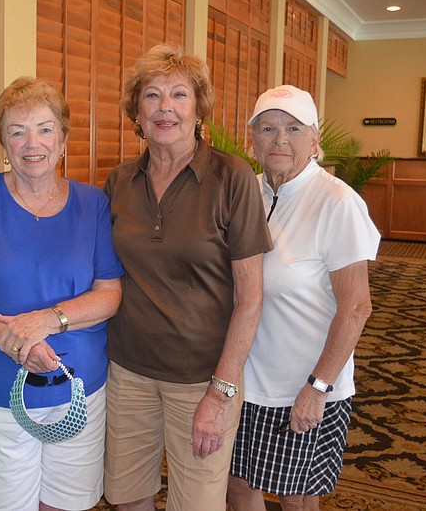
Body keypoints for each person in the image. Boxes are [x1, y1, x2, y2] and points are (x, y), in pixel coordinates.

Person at [0, 77, 124, 511]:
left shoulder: (92, 204)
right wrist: (14, 340)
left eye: (44, 128)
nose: (31, 142)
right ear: (2, 142)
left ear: (62, 139)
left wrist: (48, 320)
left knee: (68, 504)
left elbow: (109, 293)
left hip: (80, 388)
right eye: (16, 131)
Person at [102, 44, 273, 511]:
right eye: (152, 96)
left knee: (196, 503)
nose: (165, 108)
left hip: (202, 379)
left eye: (179, 95)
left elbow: (250, 300)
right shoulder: (118, 182)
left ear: (198, 109)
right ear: (136, 111)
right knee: (126, 496)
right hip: (127, 371)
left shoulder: (232, 178)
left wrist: (220, 394)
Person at [227, 85, 381, 511]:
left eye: (294, 129)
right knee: (238, 487)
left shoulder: (337, 202)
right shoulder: (245, 192)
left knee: (297, 499)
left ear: (315, 140)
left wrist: (317, 387)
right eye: (268, 128)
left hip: (304, 385)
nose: (280, 140)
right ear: (251, 138)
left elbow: (356, 307)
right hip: (243, 382)